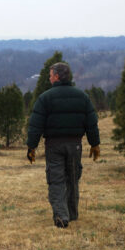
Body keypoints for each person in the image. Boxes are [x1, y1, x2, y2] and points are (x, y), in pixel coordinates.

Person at [26, 62, 100, 228]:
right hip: (75, 145)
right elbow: (91, 123)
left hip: (54, 146)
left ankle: (61, 216)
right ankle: (71, 214)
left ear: (57, 77)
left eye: (51, 75)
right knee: (73, 179)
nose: (49, 78)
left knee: (56, 180)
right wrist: (95, 144)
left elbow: (35, 125)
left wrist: (31, 147)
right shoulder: (82, 96)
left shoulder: (45, 98)